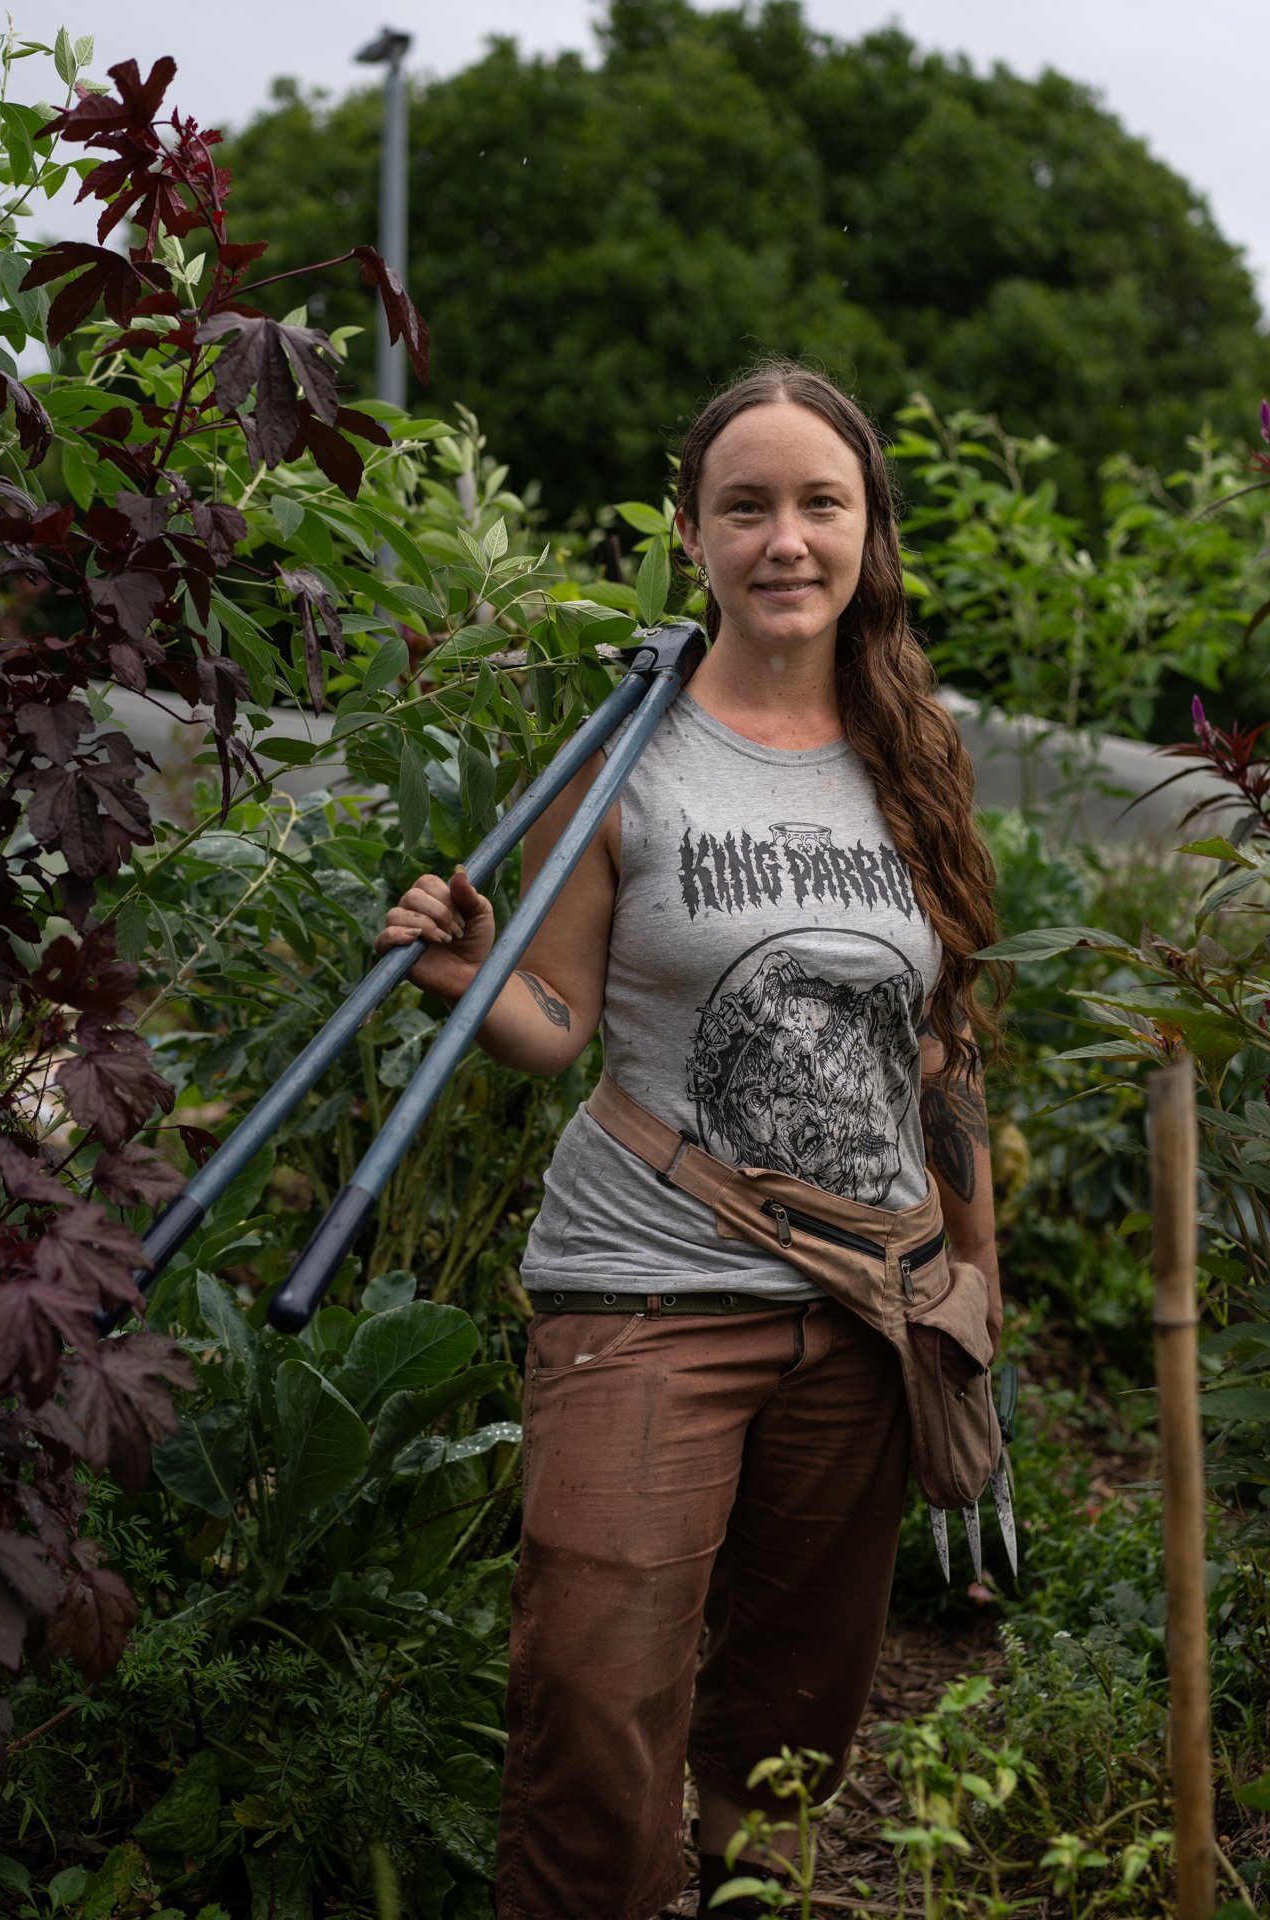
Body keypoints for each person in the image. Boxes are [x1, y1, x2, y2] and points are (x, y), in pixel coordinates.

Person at [376, 361, 1011, 1920]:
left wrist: (971, 1279)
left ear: (868, 529)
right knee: (593, 1694)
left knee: (794, 1717)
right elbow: (555, 1025)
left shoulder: (916, 756)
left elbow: (939, 1049)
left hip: (868, 1307)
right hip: (647, 1288)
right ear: (693, 533)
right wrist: (469, 980)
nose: (784, 539)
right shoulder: (622, 758)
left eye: (818, 503)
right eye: (746, 506)